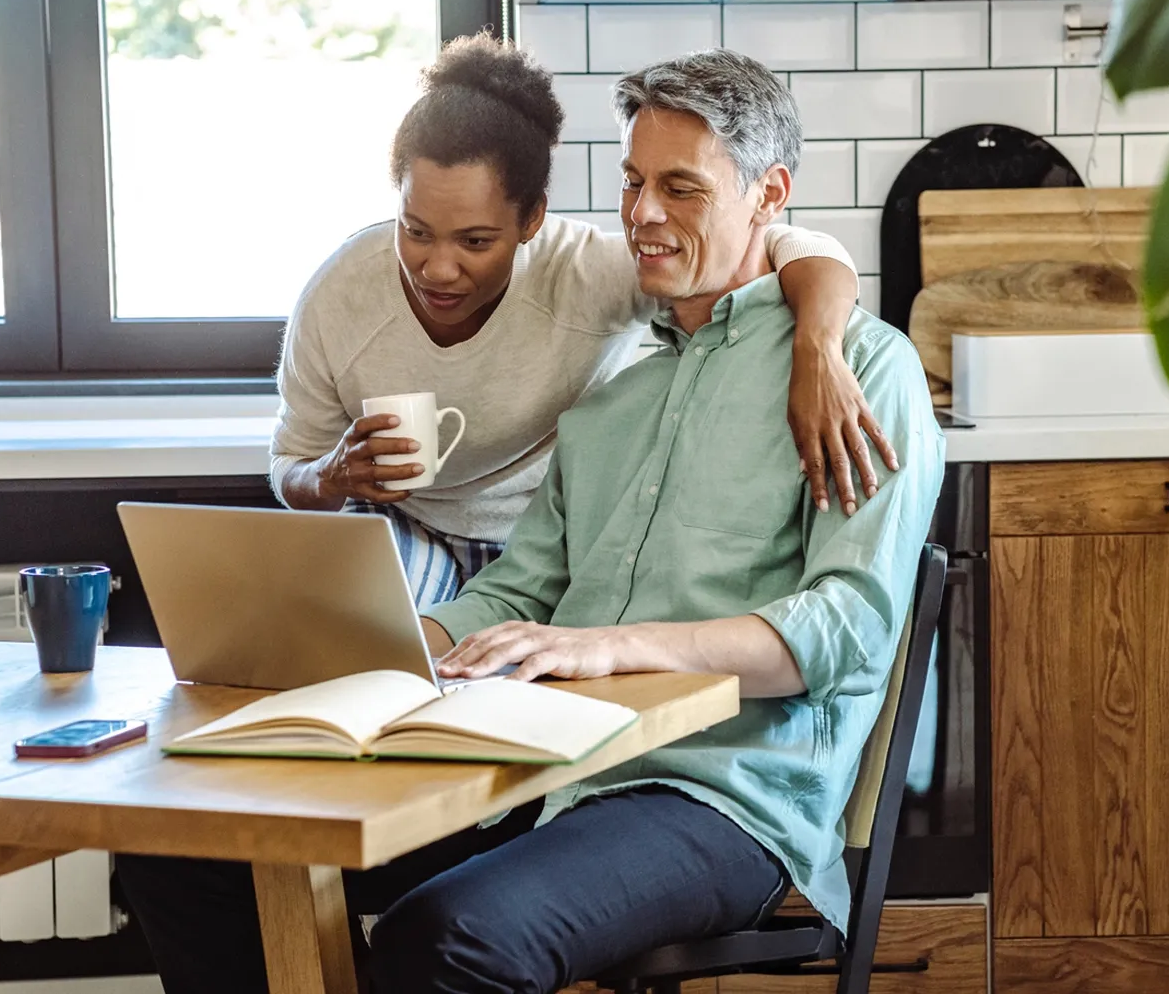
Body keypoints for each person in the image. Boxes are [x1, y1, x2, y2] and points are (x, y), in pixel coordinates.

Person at [116, 48, 943, 994]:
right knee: (190, 849)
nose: (641, 216)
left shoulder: (859, 374)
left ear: (769, 195)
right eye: (633, 183)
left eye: (680, 188)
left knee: (448, 939)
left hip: (715, 796)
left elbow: (848, 627)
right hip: (548, 770)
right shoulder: (614, 392)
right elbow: (517, 588)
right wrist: (383, 642)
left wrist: (613, 648)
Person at [269, 34, 897, 609]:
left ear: (531, 221)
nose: (437, 269)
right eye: (415, 231)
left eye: (476, 241)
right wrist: (330, 476)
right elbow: (288, 467)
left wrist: (820, 349)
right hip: (411, 531)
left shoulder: (588, 275)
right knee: (352, 652)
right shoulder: (340, 297)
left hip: (545, 550)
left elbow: (794, 248)